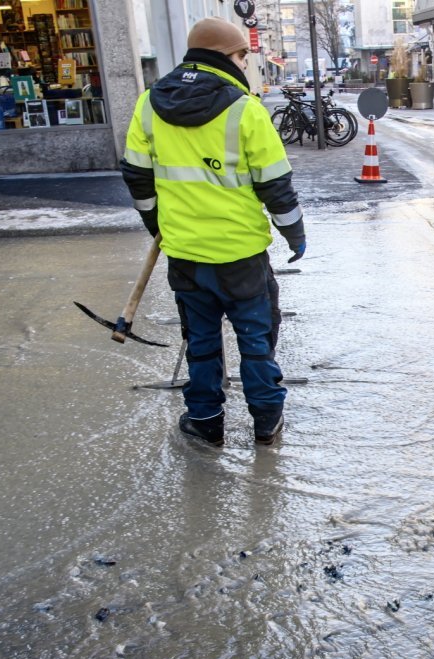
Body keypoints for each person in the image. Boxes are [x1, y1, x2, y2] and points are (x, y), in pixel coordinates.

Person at [121, 17, 305, 448]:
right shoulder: (245, 109)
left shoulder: (149, 104)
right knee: (256, 339)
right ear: (226, 56)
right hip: (240, 254)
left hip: (184, 253)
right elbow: (275, 183)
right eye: (243, 54)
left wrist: (157, 224)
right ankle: (265, 419)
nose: (246, 62)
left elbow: (137, 176)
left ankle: (205, 418)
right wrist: (294, 233)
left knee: (200, 339)